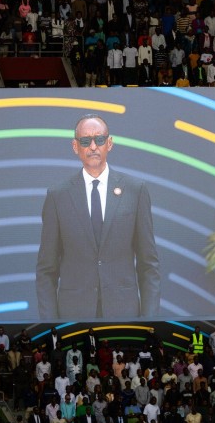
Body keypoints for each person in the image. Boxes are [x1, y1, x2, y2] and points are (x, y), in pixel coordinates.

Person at [35, 114, 161, 319]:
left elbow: (149, 265)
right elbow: (46, 270)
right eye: (85, 141)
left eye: (99, 140)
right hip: (73, 316)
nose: (93, 146)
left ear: (109, 143)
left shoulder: (135, 190)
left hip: (124, 313)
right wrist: (49, 325)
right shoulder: (57, 196)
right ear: (75, 147)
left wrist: (150, 319)